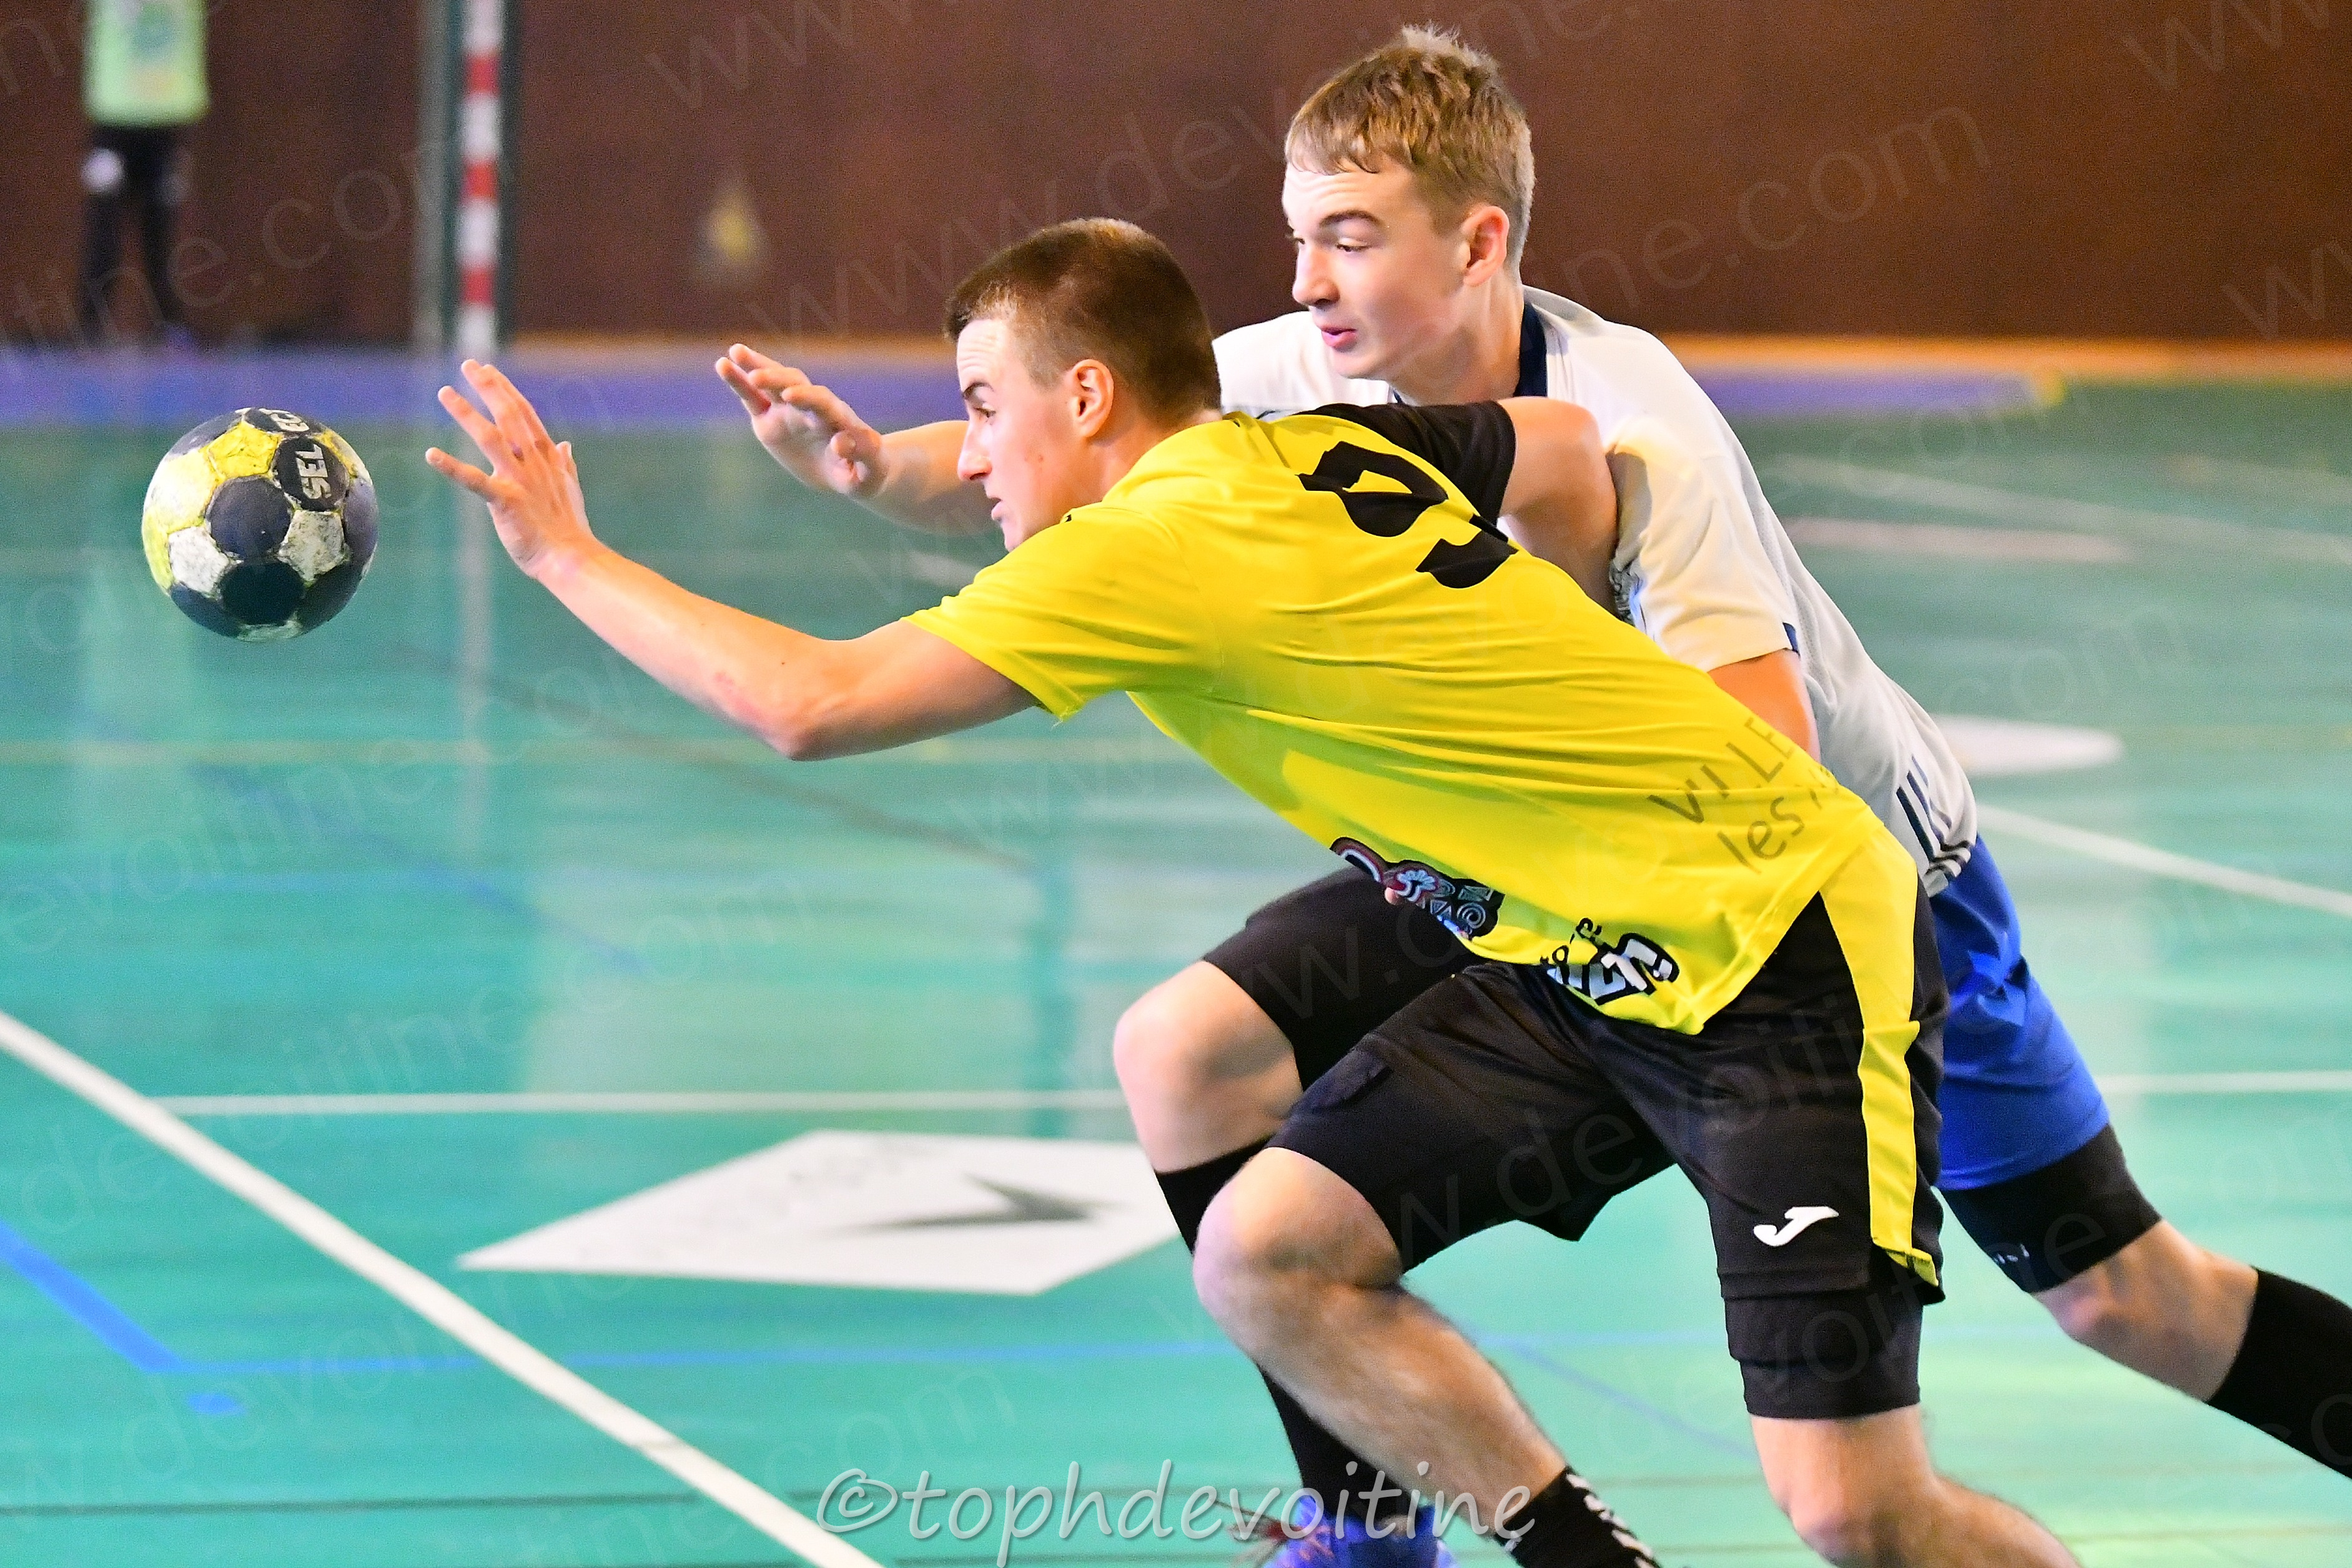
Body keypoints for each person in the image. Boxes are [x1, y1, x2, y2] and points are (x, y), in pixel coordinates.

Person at [716, 31, 2352, 1561]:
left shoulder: (1646, 434)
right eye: (1295, 235)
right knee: (1186, 1048)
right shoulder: (1301, 364)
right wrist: (869, 464)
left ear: (1476, 243)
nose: (1303, 278)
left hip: (1831, 887)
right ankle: (1371, 1518)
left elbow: (1751, 780)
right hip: (1557, 870)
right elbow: (1085, 425)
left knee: (2118, 1293)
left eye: (1347, 236)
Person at [432, 217, 2080, 1568]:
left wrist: (570, 553)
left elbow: (809, 702)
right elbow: (1567, 452)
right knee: (1264, 1250)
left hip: (1776, 946)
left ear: (1087, 396)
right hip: (1581, 954)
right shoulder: (1308, 446)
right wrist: (1561, 670)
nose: (973, 454)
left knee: (1853, 1510)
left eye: (983, 407)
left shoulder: (1140, 549)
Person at [79, 0, 207, 346]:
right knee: (104, 226)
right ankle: (90, 325)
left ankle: (169, 323)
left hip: (167, 117)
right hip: (114, 117)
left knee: (161, 229)